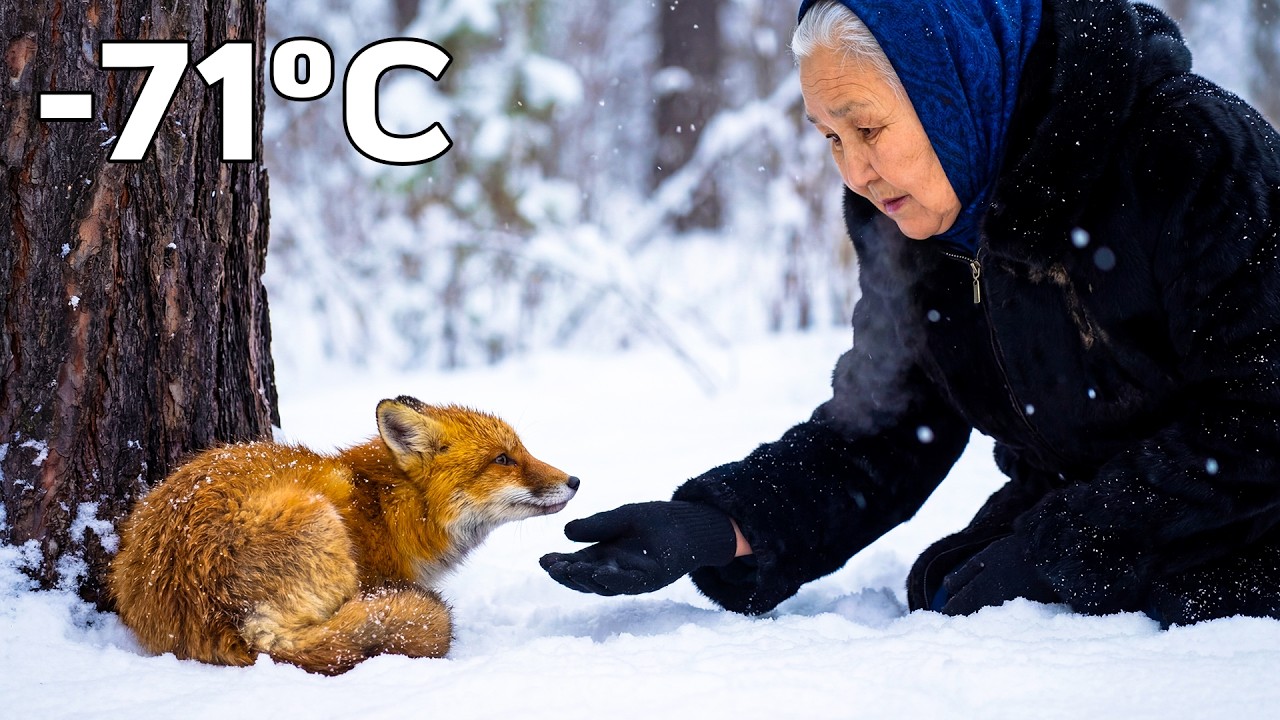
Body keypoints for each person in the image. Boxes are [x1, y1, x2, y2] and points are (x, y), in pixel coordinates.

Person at [540, 0, 1280, 626]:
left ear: (954, 79)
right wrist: (719, 525)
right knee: (950, 596)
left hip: (1250, 517)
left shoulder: (1192, 152)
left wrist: (1065, 551)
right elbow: (890, 427)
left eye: (868, 129)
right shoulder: (911, 220)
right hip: (1097, 510)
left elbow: (1262, 419)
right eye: (831, 138)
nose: (856, 173)